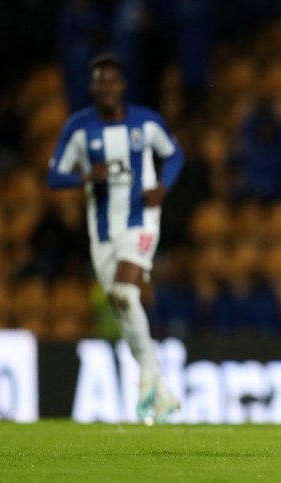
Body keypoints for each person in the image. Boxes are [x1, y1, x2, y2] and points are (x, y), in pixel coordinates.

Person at [48, 53, 185, 424]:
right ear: (92, 87)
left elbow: (174, 155)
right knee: (121, 304)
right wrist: (84, 176)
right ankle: (160, 388)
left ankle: (147, 378)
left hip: (141, 220)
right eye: (100, 81)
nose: (107, 87)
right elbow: (54, 175)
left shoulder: (146, 122)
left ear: (122, 85)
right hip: (103, 232)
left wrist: (163, 187)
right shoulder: (79, 128)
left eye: (112, 80)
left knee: (125, 292)